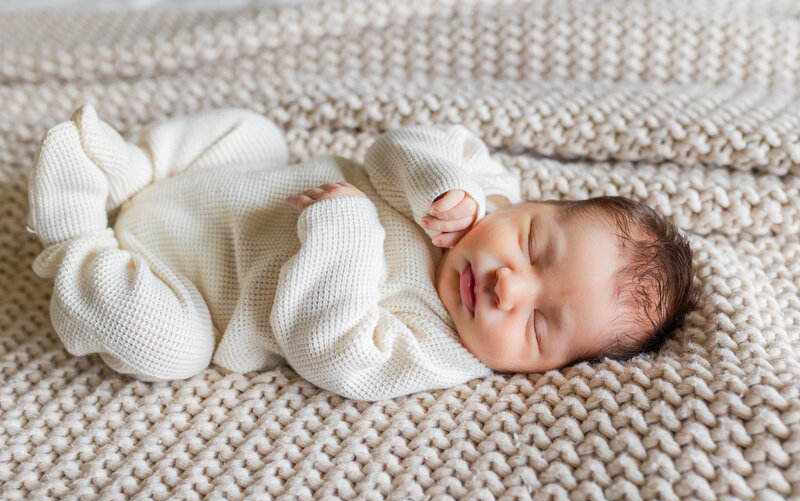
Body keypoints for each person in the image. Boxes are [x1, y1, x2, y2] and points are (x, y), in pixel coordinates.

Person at [27, 105, 695, 401]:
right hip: (214, 185)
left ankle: (76, 235)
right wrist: (445, 186)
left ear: (547, 370)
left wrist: (345, 231)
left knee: (166, 349)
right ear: (532, 207)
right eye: (532, 246)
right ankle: (128, 165)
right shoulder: (478, 192)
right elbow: (391, 147)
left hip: (188, 287)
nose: (507, 289)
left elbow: (331, 349)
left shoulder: (439, 351)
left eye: (538, 325)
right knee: (256, 132)